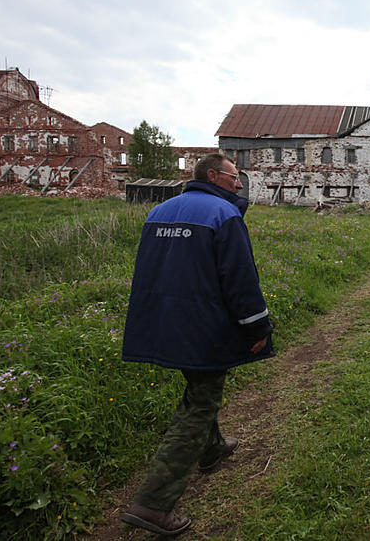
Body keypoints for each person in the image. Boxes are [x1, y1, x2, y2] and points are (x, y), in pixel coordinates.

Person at [120, 153, 274, 536]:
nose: (239, 185)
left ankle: (213, 449)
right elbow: (240, 280)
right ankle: (153, 503)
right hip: (203, 324)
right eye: (234, 177)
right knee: (201, 401)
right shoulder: (224, 216)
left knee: (198, 385)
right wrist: (258, 328)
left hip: (162, 320)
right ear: (213, 176)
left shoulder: (160, 211)